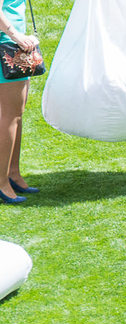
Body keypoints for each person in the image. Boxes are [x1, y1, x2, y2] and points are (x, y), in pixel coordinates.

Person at [0, 0, 40, 204]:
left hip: (14, 46)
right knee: (10, 115)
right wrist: (17, 36)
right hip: (8, 46)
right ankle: (1, 181)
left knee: (16, 113)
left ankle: (13, 173)